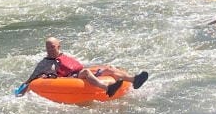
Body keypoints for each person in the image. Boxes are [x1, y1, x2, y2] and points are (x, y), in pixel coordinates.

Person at [19, 37, 149, 97]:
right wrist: (23, 88)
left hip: (78, 73)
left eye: (52, 47)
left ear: (59, 46)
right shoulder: (45, 63)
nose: (49, 50)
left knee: (109, 68)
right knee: (86, 72)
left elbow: (76, 66)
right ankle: (107, 88)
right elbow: (32, 77)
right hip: (70, 78)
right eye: (47, 47)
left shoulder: (64, 56)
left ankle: (135, 80)